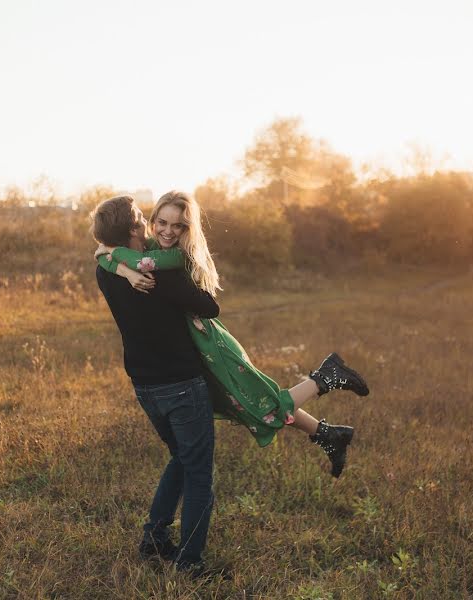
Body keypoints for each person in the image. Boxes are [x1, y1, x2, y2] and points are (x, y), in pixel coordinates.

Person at [96, 190, 370, 478]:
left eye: (177, 226)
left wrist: (112, 254)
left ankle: (325, 377)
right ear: (149, 223)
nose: (167, 231)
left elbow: (126, 260)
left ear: (187, 229)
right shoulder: (152, 248)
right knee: (243, 400)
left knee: (257, 400)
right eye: (161, 222)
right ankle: (327, 433)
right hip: (191, 348)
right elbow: (106, 255)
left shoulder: (173, 256)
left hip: (210, 342)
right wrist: (118, 265)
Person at [92, 195, 220, 575]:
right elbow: (210, 307)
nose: (159, 230)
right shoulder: (160, 272)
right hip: (181, 383)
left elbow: (103, 252)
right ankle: (190, 563)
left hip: (145, 386)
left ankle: (154, 539)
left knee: (181, 457)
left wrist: (123, 265)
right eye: (146, 221)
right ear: (136, 229)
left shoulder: (108, 269)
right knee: (198, 472)